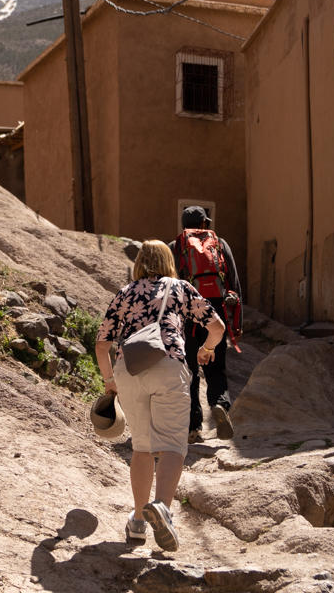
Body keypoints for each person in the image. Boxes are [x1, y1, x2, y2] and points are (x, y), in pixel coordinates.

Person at [95, 239, 224, 551]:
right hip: (168, 365)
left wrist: (110, 382)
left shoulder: (126, 293)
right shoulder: (179, 288)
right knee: (172, 445)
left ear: (139, 263)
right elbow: (217, 326)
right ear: (168, 262)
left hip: (129, 369)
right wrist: (207, 349)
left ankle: (138, 522)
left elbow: (102, 345)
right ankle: (162, 508)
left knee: (141, 447)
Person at [170, 207, 242, 441]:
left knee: (189, 371)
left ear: (184, 225)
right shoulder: (219, 243)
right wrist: (236, 324)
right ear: (204, 222)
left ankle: (193, 428)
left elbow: (169, 283)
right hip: (216, 315)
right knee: (215, 367)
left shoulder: (176, 246)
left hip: (187, 318)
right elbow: (233, 280)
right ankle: (219, 404)